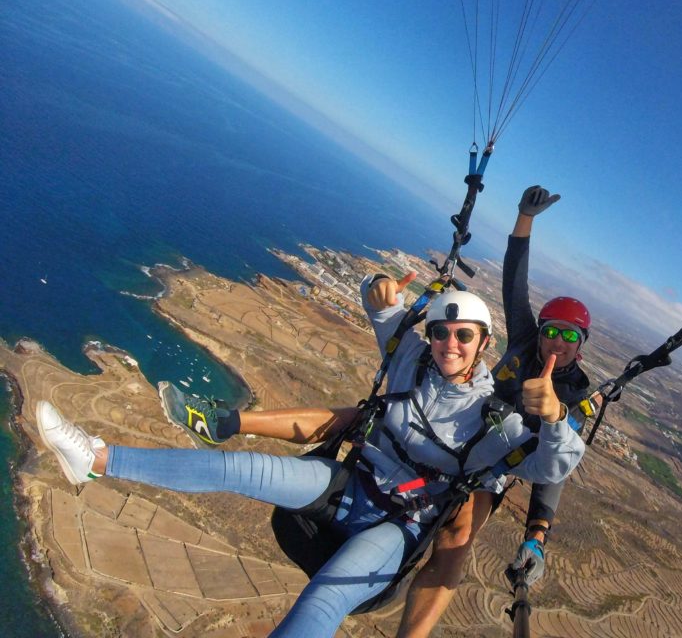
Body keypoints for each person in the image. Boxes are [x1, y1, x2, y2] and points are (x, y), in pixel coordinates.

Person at [159, 185, 598, 636]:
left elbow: (554, 470)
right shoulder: (526, 340)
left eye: (570, 338)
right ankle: (222, 422)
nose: (556, 343)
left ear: (580, 347)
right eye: (553, 331)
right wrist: (524, 219)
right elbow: (514, 279)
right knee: (362, 416)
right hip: (452, 413)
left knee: (455, 538)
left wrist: (537, 534)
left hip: (493, 458)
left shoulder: (575, 397)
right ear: (540, 329)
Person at [36, 280, 584, 638]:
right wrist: (379, 289)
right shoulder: (411, 360)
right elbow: (382, 309)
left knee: (323, 599)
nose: (450, 344)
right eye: (442, 332)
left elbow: (549, 469)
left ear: (483, 343)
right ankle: (95, 459)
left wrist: (555, 419)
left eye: (464, 336)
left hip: (397, 525)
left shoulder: (495, 421)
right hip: (346, 482)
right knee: (239, 468)